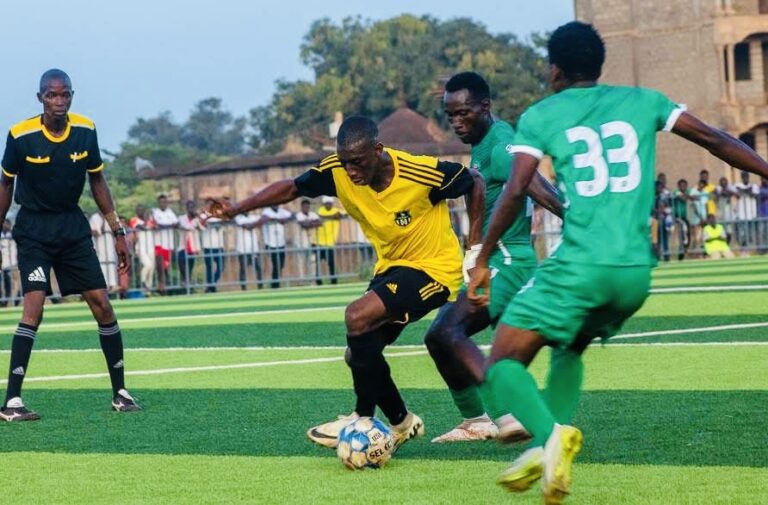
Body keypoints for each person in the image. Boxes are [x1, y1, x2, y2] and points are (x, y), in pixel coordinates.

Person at [467, 22, 768, 502]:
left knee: (501, 362)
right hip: (634, 276)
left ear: (555, 70)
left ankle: (550, 441)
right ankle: (550, 449)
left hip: (580, 266)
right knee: (571, 344)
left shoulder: (542, 114)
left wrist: (481, 256)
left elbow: (518, 187)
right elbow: (716, 141)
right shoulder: (645, 100)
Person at [207, 115, 485, 453]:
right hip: (392, 268)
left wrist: (475, 250)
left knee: (356, 316)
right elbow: (292, 187)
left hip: (435, 271)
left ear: (378, 151)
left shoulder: (419, 171)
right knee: (359, 355)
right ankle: (400, 422)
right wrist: (237, 208)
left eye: (357, 163)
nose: (350, 171)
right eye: (344, 163)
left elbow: (474, 181)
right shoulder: (338, 172)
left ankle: (362, 418)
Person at [424, 71, 563, 444]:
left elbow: (533, 182)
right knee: (441, 337)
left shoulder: (501, 140)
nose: (456, 122)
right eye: (450, 115)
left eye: (463, 113)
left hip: (506, 263)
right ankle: (476, 420)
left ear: (485, 107)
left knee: (446, 331)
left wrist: (576, 219)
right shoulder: (484, 143)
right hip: (495, 263)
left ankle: (512, 414)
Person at [0, 69, 140, 421]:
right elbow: (5, 185)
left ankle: (120, 393)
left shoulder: (86, 130)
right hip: (33, 229)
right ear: (40, 98)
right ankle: (12, 402)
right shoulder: (21, 135)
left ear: (72, 97)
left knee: (102, 305)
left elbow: (98, 180)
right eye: (52, 95)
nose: (59, 102)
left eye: (65, 95)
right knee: (34, 307)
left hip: (72, 227)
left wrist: (117, 231)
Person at [151, 194, 178, 294]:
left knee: (165, 266)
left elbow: (176, 223)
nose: (163, 204)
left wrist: (164, 226)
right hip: (158, 242)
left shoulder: (170, 212)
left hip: (168, 243)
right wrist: (167, 225)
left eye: (164, 202)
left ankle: (163, 285)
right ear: (159, 203)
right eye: (161, 202)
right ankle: (161, 283)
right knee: (159, 264)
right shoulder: (155, 212)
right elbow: (156, 224)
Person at [261, 205, 292, 288]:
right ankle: (275, 284)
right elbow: (265, 218)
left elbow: (292, 215)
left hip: (281, 242)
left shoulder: (281, 211)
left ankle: (275, 281)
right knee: (275, 264)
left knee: (281, 264)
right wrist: (279, 220)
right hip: (271, 243)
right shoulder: (266, 210)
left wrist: (285, 220)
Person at [234, 210, 265, 289]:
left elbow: (263, 219)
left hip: (254, 248)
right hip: (242, 249)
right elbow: (246, 226)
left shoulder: (253, 217)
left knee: (258, 267)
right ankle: (243, 288)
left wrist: (254, 224)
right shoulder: (238, 218)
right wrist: (255, 224)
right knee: (243, 269)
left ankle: (260, 287)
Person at [89, 211, 119, 292]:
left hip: (110, 241)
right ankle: (105, 284)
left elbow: (118, 229)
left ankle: (113, 284)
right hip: (100, 243)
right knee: (102, 262)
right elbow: (95, 231)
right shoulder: (94, 217)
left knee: (111, 260)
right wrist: (103, 219)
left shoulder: (112, 215)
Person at [128, 205, 155, 293]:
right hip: (141, 247)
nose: (140, 211)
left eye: (142, 209)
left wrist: (152, 216)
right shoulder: (134, 220)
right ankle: (143, 282)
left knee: (151, 270)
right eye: (138, 210)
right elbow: (139, 227)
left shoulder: (150, 220)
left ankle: (148, 291)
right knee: (148, 265)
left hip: (150, 246)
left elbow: (156, 226)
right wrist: (147, 220)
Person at [177, 200, 203, 291]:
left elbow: (203, 228)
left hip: (193, 246)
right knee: (181, 261)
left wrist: (198, 218)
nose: (191, 209)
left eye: (192, 207)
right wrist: (189, 227)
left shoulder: (196, 219)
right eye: (189, 207)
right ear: (187, 208)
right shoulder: (181, 218)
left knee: (190, 266)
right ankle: (185, 279)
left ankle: (187, 282)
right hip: (183, 244)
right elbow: (181, 225)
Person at [294, 198, 321, 282]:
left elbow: (320, 223)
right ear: (302, 207)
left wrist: (309, 223)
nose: (307, 208)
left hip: (311, 241)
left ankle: (312, 279)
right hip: (300, 241)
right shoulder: (298, 215)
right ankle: (301, 279)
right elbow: (304, 225)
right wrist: (312, 223)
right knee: (301, 261)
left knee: (312, 261)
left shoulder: (312, 214)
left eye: (308, 207)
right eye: (305, 207)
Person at [316, 196, 341, 285]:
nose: (328, 205)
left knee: (331, 263)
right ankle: (318, 281)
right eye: (326, 203)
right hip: (319, 242)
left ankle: (334, 281)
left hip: (330, 242)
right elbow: (320, 216)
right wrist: (331, 217)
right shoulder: (321, 210)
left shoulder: (335, 210)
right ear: (323, 204)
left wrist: (329, 217)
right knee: (318, 264)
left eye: (329, 203)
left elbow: (339, 214)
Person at [732, 170, 759, 250]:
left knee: (750, 234)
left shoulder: (754, 186)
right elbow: (736, 192)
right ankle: (743, 249)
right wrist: (746, 190)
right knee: (742, 234)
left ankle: (749, 249)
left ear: (748, 177)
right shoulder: (737, 185)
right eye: (743, 177)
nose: (745, 178)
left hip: (751, 214)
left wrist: (743, 190)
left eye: (746, 176)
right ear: (741, 177)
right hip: (741, 214)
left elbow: (753, 194)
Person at [671, 179, 691, 260]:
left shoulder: (688, 191)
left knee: (687, 233)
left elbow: (692, 196)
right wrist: (687, 196)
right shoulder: (676, 191)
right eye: (681, 185)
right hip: (677, 216)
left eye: (685, 185)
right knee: (682, 234)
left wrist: (687, 196)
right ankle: (681, 254)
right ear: (678, 186)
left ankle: (684, 250)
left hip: (684, 216)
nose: (683, 187)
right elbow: (683, 199)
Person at [0, 219, 17, 306]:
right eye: (4, 224)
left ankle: (8, 302)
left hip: (11, 264)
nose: (5, 226)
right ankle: (2, 302)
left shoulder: (13, 235)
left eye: (7, 224)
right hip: (1, 264)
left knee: (11, 285)